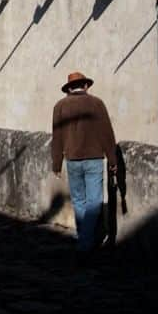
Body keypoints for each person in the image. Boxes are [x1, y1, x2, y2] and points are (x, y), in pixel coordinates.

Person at [51, 71, 118, 256]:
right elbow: (107, 133)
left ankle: (84, 239)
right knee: (95, 202)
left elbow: (57, 137)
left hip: (72, 160)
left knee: (79, 201)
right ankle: (85, 244)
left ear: (69, 89)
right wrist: (112, 159)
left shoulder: (60, 106)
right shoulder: (97, 103)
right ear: (86, 86)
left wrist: (56, 163)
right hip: (94, 159)